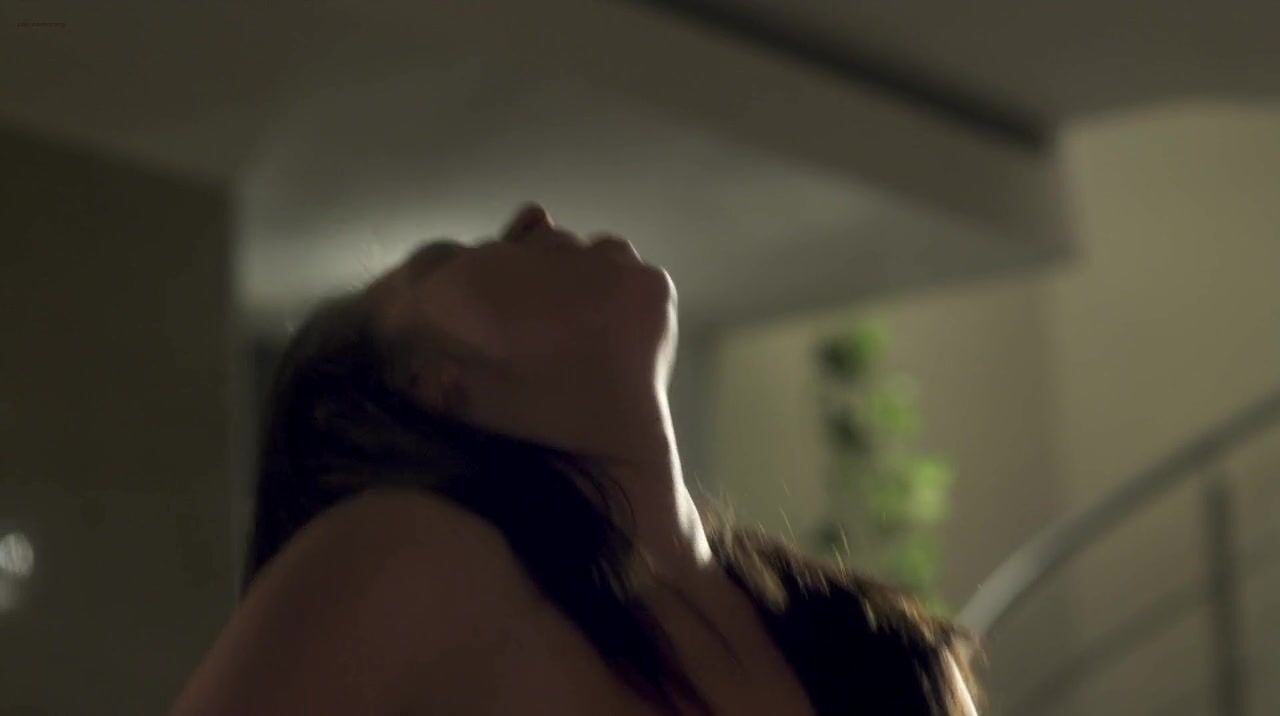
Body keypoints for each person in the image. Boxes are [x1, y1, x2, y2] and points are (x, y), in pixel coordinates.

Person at [168, 204, 980, 715]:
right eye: (444, 257)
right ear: (430, 387)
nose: (529, 216)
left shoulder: (873, 645)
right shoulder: (417, 558)